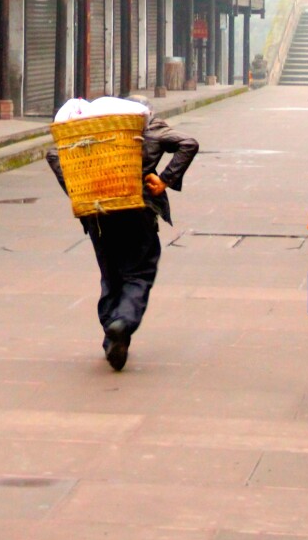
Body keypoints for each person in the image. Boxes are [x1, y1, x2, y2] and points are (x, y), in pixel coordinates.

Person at [47, 99, 199, 371]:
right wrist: (164, 179)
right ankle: (123, 322)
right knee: (140, 272)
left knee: (111, 275)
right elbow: (188, 143)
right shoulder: (146, 130)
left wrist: (78, 191)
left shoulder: (91, 133)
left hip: (97, 213)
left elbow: (54, 154)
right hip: (136, 209)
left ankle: (111, 335)